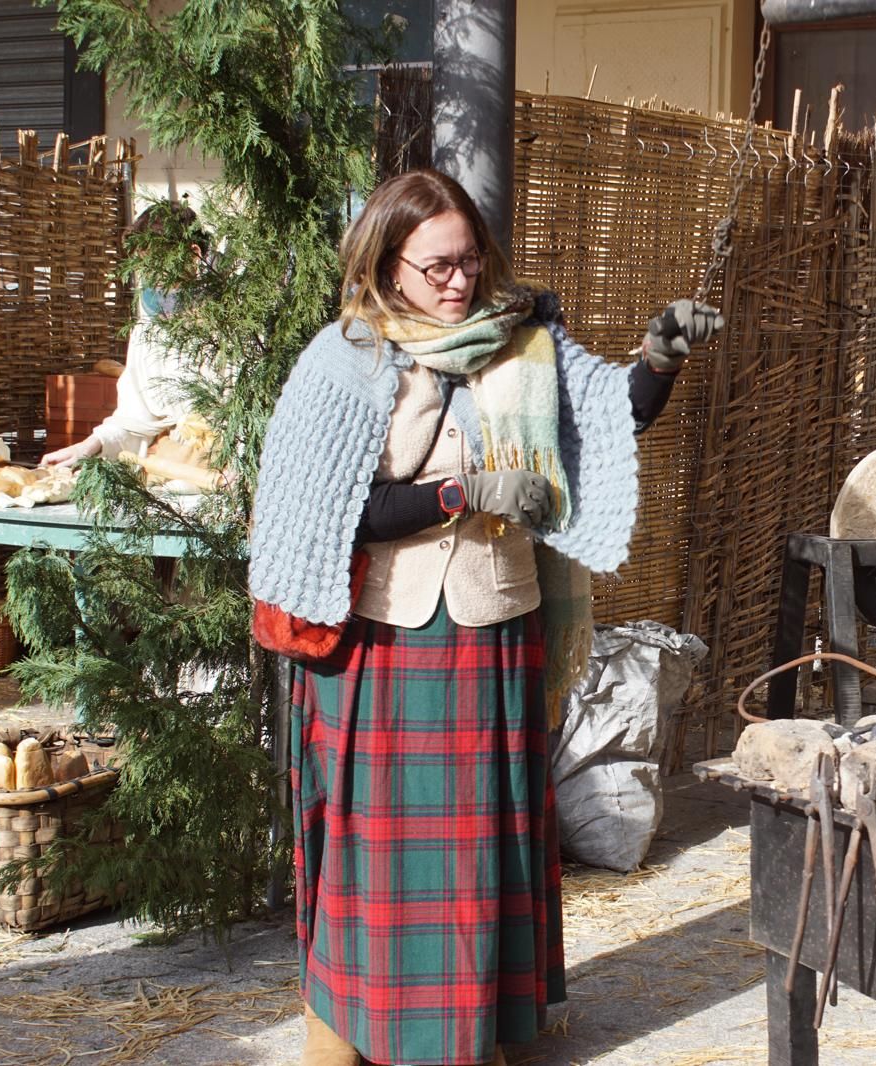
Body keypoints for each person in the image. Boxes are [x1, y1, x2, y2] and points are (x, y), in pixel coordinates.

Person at [247, 168, 722, 1066]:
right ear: (387, 265)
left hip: (495, 625)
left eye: (470, 261)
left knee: (481, 846)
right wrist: (462, 491)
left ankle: (473, 1030)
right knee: (372, 850)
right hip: (386, 638)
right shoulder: (344, 360)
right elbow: (336, 514)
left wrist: (660, 356)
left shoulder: (524, 343)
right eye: (436, 267)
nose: (459, 282)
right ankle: (346, 1026)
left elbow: (615, 416)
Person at [42, 202, 206, 467]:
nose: (150, 277)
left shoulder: (232, 330)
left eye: (155, 264)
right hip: (168, 480)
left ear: (193, 255)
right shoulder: (147, 332)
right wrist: (87, 447)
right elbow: (133, 421)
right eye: (142, 264)